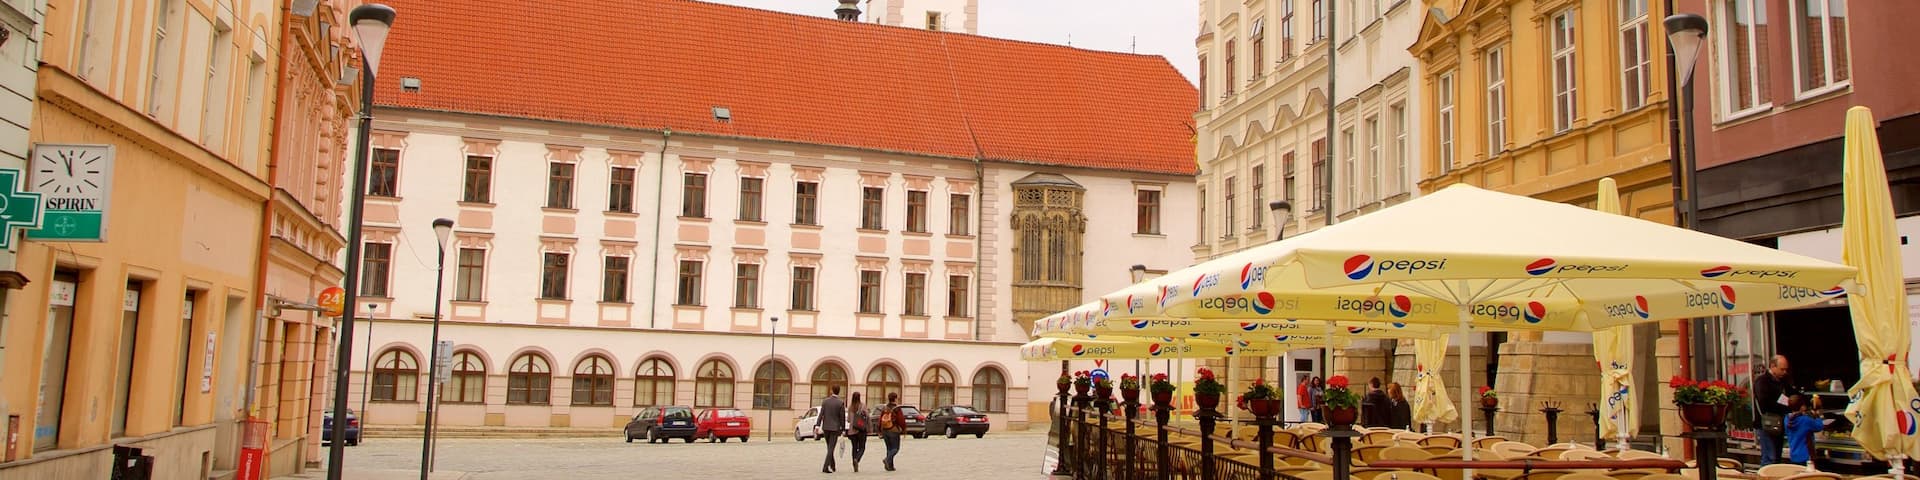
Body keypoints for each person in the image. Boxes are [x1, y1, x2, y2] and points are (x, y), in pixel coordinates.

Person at [1753, 355, 1800, 465]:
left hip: (1779, 423)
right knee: (1770, 457)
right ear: (1773, 366)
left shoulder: (1784, 381)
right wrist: (1786, 405)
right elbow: (1764, 402)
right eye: (1782, 369)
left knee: (1776, 457)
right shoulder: (1762, 381)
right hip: (1767, 424)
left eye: (1786, 369)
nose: (1784, 372)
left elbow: (1793, 393)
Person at [1785, 394, 1824, 465]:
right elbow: (1819, 426)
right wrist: (1818, 415)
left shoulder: (1786, 419)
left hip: (1793, 455)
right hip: (1806, 455)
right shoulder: (1805, 420)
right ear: (1802, 407)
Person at [819, 386, 847, 473]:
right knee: (831, 449)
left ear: (832, 391)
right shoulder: (840, 403)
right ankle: (825, 467)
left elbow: (821, 414)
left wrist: (817, 425)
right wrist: (843, 429)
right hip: (835, 428)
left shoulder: (825, 401)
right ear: (839, 391)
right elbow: (842, 417)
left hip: (826, 427)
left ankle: (833, 465)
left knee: (829, 448)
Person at [881, 392, 906, 471]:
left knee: (889, 448)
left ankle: (890, 466)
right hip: (893, 430)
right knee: (895, 448)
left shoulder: (885, 408)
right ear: (895, 399)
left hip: (885, 430)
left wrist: (879, 430)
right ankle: (887, 459)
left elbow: (880, 419)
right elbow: (901, 420)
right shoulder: (896, 408)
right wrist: (904, 428)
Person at [846, 392, 870, 472]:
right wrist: (869, 427)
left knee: (854, 447)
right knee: (862, 447)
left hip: (852, 430)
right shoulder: (863, 406)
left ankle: (854, 463)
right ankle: (857, 459)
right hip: (861, 430)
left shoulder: (850, 407)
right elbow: (867, 417)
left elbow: (848, 420)